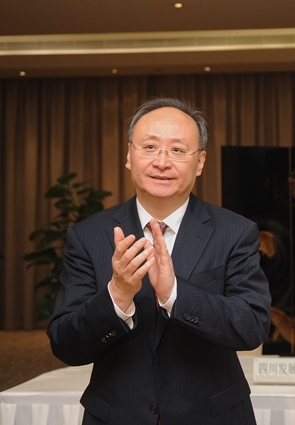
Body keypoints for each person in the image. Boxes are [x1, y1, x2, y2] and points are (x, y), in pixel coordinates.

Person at [47, 98, 272, 425]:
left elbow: (251, 327)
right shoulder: (88, 236)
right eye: (149, 147)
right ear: (129, 155)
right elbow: (65, 344)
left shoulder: (235, 232)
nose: (162, 162)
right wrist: (117, 295)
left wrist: (175, 294)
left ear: (200, 162)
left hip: (213, 417)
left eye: (178, 150)